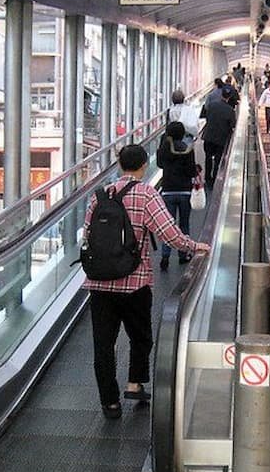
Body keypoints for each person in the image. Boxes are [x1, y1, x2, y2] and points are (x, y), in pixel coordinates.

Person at [82, 145, 211, 420]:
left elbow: (87, 235)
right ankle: (134, 383)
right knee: (140, 337)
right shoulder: (146, 194)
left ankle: (110, 403)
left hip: (99, 284)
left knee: (103, 345)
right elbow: (168, 233)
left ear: (119, 165)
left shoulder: (99, 197)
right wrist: (194, 246)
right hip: (134, 282)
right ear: (143, 165)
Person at [156, 121, 199, 270]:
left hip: (168, 190)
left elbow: (160, 165)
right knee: (184, 224)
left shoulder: (163, 149)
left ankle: (165, 257)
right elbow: (191, 171)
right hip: (185, 191)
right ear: (182, 134)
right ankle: (183, 254)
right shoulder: (187, 148)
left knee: (168, 225)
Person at [200, 86, 236, 188]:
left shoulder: (211, 105)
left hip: (208, 136)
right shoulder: (230, 110)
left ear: (221, 94)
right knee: (217, 159)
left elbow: (206, 116)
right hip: (221, 139)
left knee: (208, 157)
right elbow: (233, 125)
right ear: (229, 97)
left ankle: (207, 178)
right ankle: (215, 177)